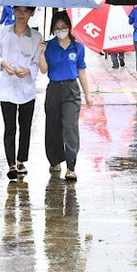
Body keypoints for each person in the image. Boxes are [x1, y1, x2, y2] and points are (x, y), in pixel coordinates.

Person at [39, 11, 93, 181]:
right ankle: (54, 160)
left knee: (70, 127)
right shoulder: (48, 46)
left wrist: (88, 95)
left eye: (63, 27)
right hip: (54, 89)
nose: (60, 30)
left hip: (71, 89)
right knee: (53, 127)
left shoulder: (77, 47)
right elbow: (43, 69)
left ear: (69, 27)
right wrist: (40, 53)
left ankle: (71, 166)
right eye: (57, 28)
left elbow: (82, 72)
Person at [0, 6, 42, 180]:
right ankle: (11, 164)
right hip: (6, 88)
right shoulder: (3, 33)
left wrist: (28, 71)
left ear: (32, 13)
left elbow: (36, 63)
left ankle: (21, 160)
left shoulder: (36, 37)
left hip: (27, 89)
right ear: (13, 11)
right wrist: (3, 63)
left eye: (25, 11)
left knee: (25, 127)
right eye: (18, 10)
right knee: (10, 127)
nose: (21, 15)